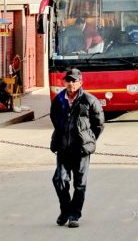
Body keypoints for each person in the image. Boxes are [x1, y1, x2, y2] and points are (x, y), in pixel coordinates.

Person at [50, 67, 104, 228]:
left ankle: (74, 215)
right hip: (63, 148)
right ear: (64, 82)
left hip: (81, 150)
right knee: (59, 180)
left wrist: (88, 139)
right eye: (68, 80)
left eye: (74, 81)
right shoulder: (59, 100)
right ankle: (65, 210)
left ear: (80, 82)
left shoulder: (89, 100)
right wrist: (62, 134)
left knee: (79, 184)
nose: (71, 84)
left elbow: (99, 124)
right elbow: (55, 119)